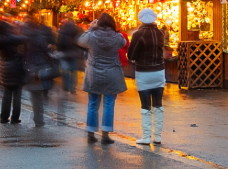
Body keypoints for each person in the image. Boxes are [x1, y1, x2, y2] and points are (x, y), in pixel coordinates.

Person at [78, 13, 128, 143]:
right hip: (112, 74)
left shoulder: (91, 36)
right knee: (109, 104)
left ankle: (90, 133)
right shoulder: (117, 37)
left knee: (93, 103)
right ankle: (105, 135)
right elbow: (124, 42)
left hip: (93, 74)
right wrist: (116, 30)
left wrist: (91, 27)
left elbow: (80, 41)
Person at [127, 8, 166, 146]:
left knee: (145, 105)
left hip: (143, 72)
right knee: (158, 104)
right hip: (159, 71)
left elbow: (131, 55)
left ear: (141, 19)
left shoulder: (138, 34)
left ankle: (146, 136)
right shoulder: (160, 33)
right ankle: (158, 136)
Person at [23, 14, 57, 127]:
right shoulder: (40, 37)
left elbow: (23, 52)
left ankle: (37, 118)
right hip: (41, 67)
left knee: (34, 95)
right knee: (39, 95)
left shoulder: (25, 38)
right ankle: (39, 119)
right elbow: (46, 51)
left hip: (30, 68)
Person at [0, 18, 27, 124]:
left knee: (7, 93)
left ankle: (4, 117)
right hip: (14, 67)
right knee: (17, 94)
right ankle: (15, 117)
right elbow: (23, 39)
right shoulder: (10, 38)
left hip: (4, 67)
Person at [56, 17, 82, 94]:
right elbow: (80, 42)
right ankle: (72, 88)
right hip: (74, 54)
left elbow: (59, 42)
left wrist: (59, 51)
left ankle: (66, 86)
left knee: (65, 70)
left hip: (64, 54)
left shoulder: (62, 31)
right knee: (73, 71)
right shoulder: (77, 30)